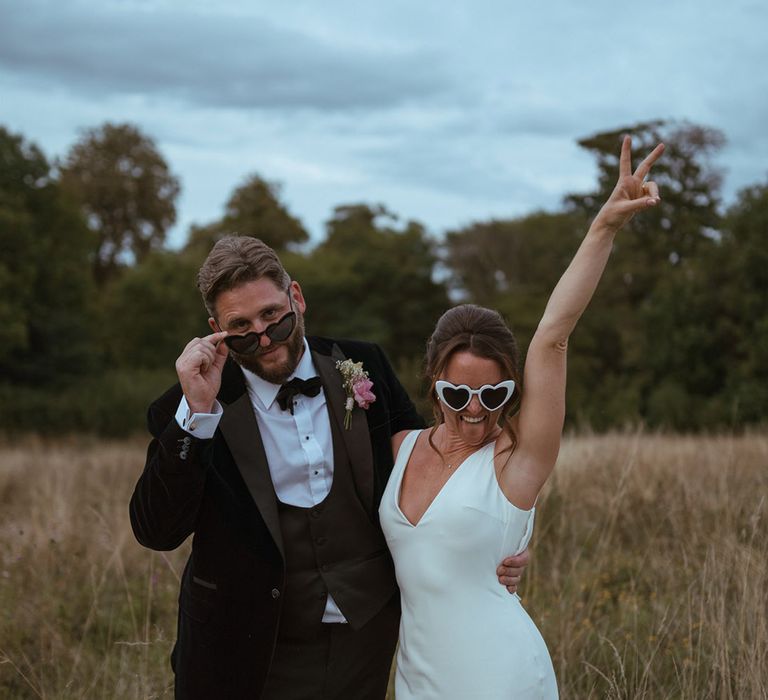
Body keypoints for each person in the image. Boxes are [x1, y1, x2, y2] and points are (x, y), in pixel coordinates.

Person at [129, 235, 530, 699]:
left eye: (272, 318)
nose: (262, 339)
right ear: (215, 329)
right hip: (245, 649)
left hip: (364, 642)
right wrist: (197, 415)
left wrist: (495, 547)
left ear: (296, 298)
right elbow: (156, 532)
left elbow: (438, 470)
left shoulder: (364, 365)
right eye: (240, 327)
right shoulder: (187, 406)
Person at [379, 136, 664, 699]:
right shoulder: (399, 446)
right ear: (434, 385)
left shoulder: (516, 461)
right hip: (418, 677)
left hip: (500, 675)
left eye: (495, 394)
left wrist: (601, 229)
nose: (476, 412)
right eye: (458, 396)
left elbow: (553, 338)